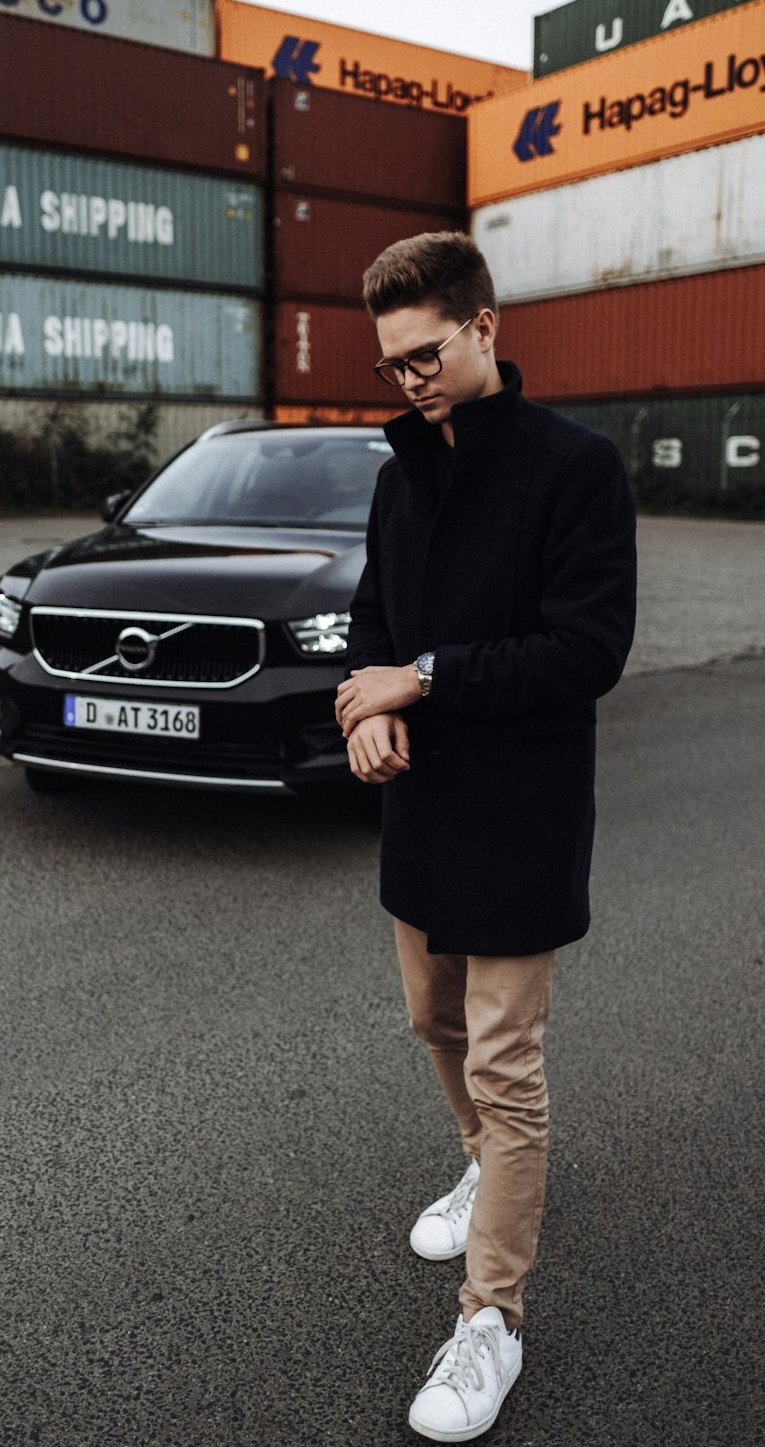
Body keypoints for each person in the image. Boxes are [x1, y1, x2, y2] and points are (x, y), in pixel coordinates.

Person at [334, 232, 636, 1442]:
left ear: (484, 330)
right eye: (388, 365)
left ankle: (492, 1320)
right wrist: (363, 709)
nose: (404, 382)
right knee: (430, 1022)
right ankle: (477, 1167)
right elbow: (370, 621)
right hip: (420, 806)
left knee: (508, 1069)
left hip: (518, 812)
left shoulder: (574, 467)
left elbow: (586, 653)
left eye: (422, 358)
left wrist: (422, 676)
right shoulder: (398, 469)